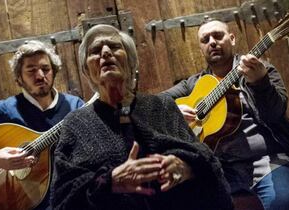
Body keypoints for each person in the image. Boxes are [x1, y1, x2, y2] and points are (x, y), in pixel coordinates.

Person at [49, 24, 233, 210]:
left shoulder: (162, 106)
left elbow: (208, 163)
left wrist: (188, 167)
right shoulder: (76, 124)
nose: (105, 52)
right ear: (87, 72)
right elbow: (62, 197)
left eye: (114, 47)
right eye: (95, 51)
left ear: (131, 63)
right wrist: (109, 182)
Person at [162, 20, 289, 210]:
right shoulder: (193, 84)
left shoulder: (261, 71)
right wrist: (174, 111)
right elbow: (153, 103)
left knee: (288, 202)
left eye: (218, 35)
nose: (212, 42)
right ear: (201, 48)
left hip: (269, 159)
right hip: (221, 167)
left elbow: (275, 113)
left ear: (232, 39)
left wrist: (261, 84)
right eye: (205, 39)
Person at [0, 40, 85, 209]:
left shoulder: (76, 106)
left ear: (54, 71)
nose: (40, 75)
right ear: (19, 78)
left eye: (46, 69)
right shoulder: (5, 110)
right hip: (29, 203)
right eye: (31, 70)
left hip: (73, 200)